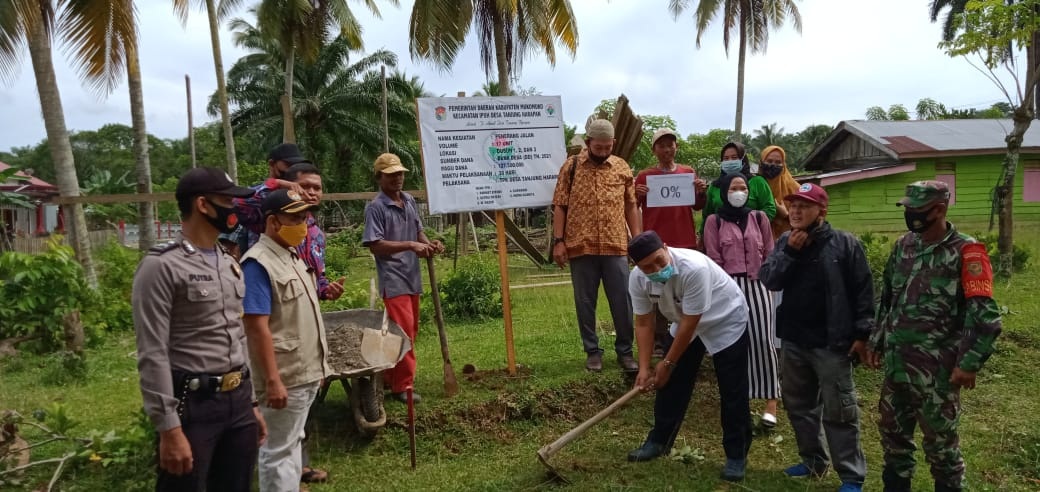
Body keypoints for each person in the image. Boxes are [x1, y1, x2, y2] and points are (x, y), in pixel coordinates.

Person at [132, 167, 265, 491]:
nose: (234, 209)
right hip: (192, 405)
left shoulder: (228, 261)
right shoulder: (162, 266)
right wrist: (168, 428)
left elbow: (237, 335)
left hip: (238, 401)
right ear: (203, 205)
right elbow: (153, 352)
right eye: (228, 201)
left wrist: (251, 405)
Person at [867, 181, 1002, 492]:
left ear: (940, 209)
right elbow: (887, 298)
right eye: (908, 209)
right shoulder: (904, 246)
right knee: (893, 438)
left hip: (937, 373)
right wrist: (876, 339)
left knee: (941, 450)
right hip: (897, 365)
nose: (911, 215)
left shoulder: (967, 252)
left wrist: (969, 363)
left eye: (918, 210)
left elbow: (985, 316)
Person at [758, 183, 874, 492]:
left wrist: (862, 334)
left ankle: (851, 476)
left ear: (821, 211)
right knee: (799, 406)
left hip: (832, 343)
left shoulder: (844, 244)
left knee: (840, 410)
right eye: (792, 205)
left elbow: (863, 292)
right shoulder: (785, 241)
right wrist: (791, 254)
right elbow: (769, 278)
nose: (795, 211)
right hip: (794, 340)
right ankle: (813, 461)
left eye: (804, 206)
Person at [625, 231, 752, 482]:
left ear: (665, 246)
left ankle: (736, 454)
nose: (657, 268)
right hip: (684, 321)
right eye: (648, 266)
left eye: (659, 260)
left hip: (725, 318)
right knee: (671, 386)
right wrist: (644, 368)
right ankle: (659, 440)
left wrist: (667, 363)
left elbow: (691, 323)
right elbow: (643, 323)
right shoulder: (637, 279)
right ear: (636, 266)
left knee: (732, 389)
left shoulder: (693, 268)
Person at [241, 189, 331, 492]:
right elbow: (256, 327)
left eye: (304, 217)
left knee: (292, 444)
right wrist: (272, 380)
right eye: (294, 217)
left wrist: (317, 368)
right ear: (273, 222)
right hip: (284, 376)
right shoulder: (258, 264)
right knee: (278, 451)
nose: (302, 224)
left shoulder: (290, 257)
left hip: (302, 371)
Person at [552, 119, 641, 372]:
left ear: (613, 143)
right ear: (588, 142)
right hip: (581, 246)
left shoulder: (622, 167)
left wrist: (637, 239)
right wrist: (559, 242)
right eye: (598, 147)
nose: (603, 152)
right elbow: (560, 204)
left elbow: (630, 204)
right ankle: (592, 351)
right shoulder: (571, 167)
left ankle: (625, 352)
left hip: (616, 246)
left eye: (607, 147)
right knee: (585, 301)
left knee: (623, 300)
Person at [363, 153, 444, 404]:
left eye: (400, 173)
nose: (397, 178)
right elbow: (375, 245)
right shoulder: (376, 208)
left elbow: (418, 230)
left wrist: (428, 244)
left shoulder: (408, 200)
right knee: (404, 333)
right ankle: (403, 386)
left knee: (410, 330)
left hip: (412, 276)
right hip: (394, 278)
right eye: (391, 175)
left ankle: (389, 376)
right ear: (379, 178)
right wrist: (410, 245)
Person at [702, 172, 780, 428]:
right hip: (728, 286)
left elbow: (770, 252)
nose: (739, 192)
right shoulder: (713, 221)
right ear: (724, 191)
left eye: (743, 188)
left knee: (763, 341)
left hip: (759, 285)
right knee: (733, 344)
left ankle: (771, 404)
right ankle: (741, 402)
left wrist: (769, 283)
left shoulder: (758, 218)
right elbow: (713, 257)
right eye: (734, 188)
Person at [634, 128, 708, 357]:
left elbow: (697, 206)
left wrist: (701, 191)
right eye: (661, 145)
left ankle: (690, 335)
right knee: (656, 290)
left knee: (685, 289)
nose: (667, 149)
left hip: (684, 240)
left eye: (670, 144)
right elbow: (632, 204)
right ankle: (658, 339)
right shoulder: (645, 177)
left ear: (676, 147)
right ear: (654, 149)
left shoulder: (688, 172)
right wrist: (638, 194)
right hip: (656, 242)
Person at [284, 162, 345, 302]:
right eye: (304, 186)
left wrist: (326, 290)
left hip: (308, 312)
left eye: (317, 188)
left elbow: (319, 275)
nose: (312, 192)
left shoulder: (317, 234)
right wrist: (274, 183)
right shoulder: (273, 225)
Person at [234, 142, 309, 250]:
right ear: (272, 164)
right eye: (288, 164)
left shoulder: (297, 194)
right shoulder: (260, 194)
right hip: (264, 258)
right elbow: (235, 202)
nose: (292, 169)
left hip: (292, 259)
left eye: (296, 166)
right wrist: (276, 183)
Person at [700, 142, 776, 236]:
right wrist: (703, 237)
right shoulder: (715, 186)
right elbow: (707, 215)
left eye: (734, 157)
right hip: (720, 239)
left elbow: (770, 208)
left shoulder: (757, 182)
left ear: (743, 159)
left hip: (753, 237)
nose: (730, 161)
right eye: (726, 158)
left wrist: (750, 222)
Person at [759, 145, 801, 240]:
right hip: (760, 242)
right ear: (761, 162)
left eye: (778, 162)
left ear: (784, 165)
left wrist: (786, 214)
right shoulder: (754, 186)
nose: (773, 165)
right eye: (769, 161)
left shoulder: (796, 189)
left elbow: (807, 223)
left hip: (790, 242)